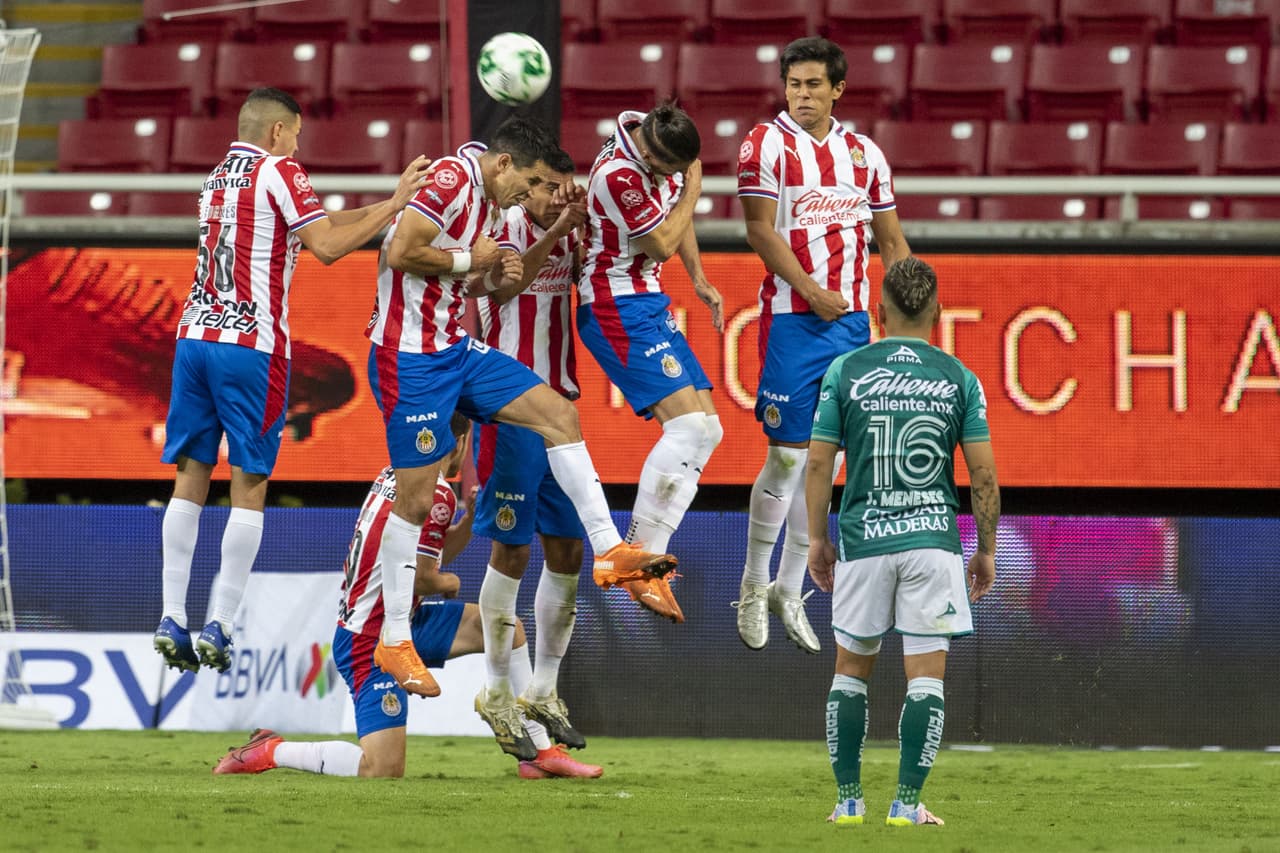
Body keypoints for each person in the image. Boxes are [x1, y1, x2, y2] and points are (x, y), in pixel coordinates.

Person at [364, 116, 677, 709]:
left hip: (453, 349)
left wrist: (487, 272)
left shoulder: (488, 196)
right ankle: (395, 638)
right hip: (409, 359)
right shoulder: (456, 177)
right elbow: (403, 252)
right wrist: (469, 261)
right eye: (531, 181)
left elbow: (471, 288)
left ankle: (613, 553)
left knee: (559, 414)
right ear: (505, 165)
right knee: (414, 500)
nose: (530, 195)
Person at [153, 87, 431, 674]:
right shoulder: (282, 170)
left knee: (190, 475)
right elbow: (328, 246)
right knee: (248, 484)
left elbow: (320, 226)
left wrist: (388, 204)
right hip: (251, 346)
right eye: (297, 134)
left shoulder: (216, 177)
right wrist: (398, 206)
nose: (299, 144)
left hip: (195, 337)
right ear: (279, 132)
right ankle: (220, 623)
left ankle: (171, 615)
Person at [211, 413, 603, 779]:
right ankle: (271, 751)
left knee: (506, 629)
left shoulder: (397, 475)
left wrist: (466, 525)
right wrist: (449, 584)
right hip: (371, 641)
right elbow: (422, 579)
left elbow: (420, 558)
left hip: (404, 623)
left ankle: (539, 755)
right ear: (460, 443)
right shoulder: (437, 493)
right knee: (382, 769)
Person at [805, 257, 998, 827]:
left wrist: (818, 539)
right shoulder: (959, 377)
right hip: (932, 544)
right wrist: (986, 549)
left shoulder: (845, 370)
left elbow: (819, 462)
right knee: (926, 679)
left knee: (849, 671)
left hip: (864, 540)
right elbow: (983, 476)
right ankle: (907, 805)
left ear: (877, 312)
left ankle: (846, 803)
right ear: (938, 313)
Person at [735, 37, 911, 655]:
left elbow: (892, 243)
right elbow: (758, 229)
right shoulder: (765, 144)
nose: (802, 96)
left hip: (851, 327)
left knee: (828, 462)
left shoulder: (865, 154)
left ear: (838, 89)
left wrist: (905, 318)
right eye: (794, 84)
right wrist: (809, 290)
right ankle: (754, 585)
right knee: (785, 458)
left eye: (814, 85)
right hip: (791, 320)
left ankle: (788, 587)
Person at [577, 102, 726, 623]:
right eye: (669, 170)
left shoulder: (653, 128)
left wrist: (699, 277)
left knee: (708, 430)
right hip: (613, 305)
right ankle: (635, 558)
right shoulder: (619, 174)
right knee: (685, 429)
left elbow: (673, 224)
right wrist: (693, 189)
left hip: (647, 300)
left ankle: (645, 562)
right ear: (649, 153)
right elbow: (661, 238)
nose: (676, 178)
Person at [465, 149, 591, 760]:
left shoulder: (576, 226)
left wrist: (584, 227)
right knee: (511, 549)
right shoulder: (501, 228)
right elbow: (500, 283)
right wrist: (560, 233)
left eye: (560, 188)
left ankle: (543, 688)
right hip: (511, 406)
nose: (550, 197)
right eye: (542, 186)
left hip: (561, 408)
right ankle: (494, 689)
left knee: (568, 549)